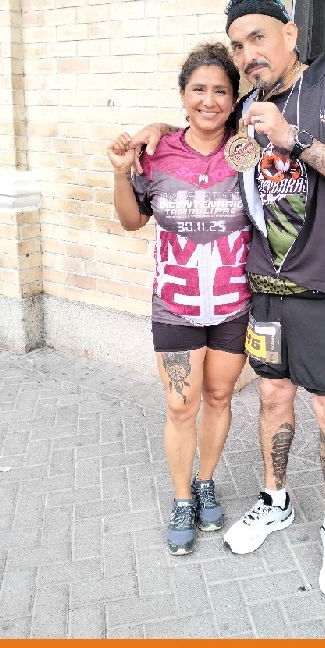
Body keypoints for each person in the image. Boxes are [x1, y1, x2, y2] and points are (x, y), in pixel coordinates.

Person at [132, 0, 325, 598]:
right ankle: (276, 500)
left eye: (259, 37)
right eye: (239, 44)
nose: (249, 53)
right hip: (266, 288)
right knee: (272, 398)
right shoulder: (244, 106)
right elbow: (200, 129)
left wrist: (295, 139)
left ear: (290, 35)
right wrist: (156, 130)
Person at [107, 43, 251, 556]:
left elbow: (289, 200)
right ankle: (182, 497)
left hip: (234, 304)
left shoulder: (250, 152)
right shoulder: (156, 154)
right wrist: (121, 170)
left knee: (219, 397)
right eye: (199, 90)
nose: (209, 101)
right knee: (179, 404)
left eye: (221, 91)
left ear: (234, 99)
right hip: (175, 305)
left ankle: (206, 481)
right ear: (182, 95)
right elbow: (132, 220)